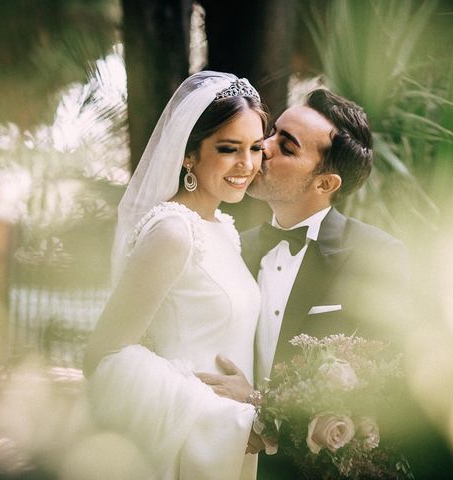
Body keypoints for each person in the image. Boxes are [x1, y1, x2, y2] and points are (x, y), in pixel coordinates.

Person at [197, 88, 410, 479]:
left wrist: (262, 410)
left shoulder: (377, 259)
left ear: (326, 184)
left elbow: (390, 397)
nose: (263, 146)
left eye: (287, 146)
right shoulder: (233, 246)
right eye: (273, 131)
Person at [83, 71, 268, 479]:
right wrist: (219, 417)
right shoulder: (172, 231)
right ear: (189, 154)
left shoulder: (222, 227)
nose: (247, 164)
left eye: (255, 148)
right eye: (229, 148)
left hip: (229, 443)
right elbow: (104, 356)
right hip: (189, 444)